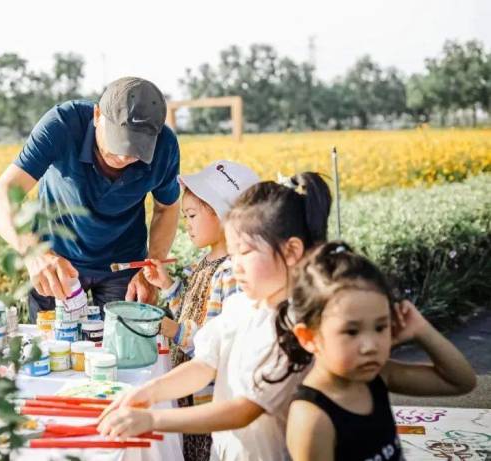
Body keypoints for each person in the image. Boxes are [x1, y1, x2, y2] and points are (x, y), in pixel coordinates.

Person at [99, 172, 332, 461]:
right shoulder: (243, 307)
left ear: (292, 251)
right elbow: (205, 364)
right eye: (233, 253)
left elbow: (243, 410)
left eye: (244, 252)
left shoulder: (295, 328)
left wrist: (154, 420)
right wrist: (146, 393)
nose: (236, 265)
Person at [0, 77, 180, 322]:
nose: (123, 156)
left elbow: (166, 209)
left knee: (121, 350)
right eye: (118, 141)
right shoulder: (62, 124)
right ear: (97, 115)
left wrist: (150, 265)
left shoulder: (166, 147)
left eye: (137, 148)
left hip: (123, 267)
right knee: (52, 349)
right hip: (55, 261)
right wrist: (33, 252)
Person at [268, 241, 477, 461]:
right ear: (309, 337)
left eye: (380, 327)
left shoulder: (378, 377)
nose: (370, 346)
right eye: (351, 331)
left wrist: (421, 329)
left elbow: (461, 381)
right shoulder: (311, 417)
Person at [143, 160, 259, 461]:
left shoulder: (232, 272)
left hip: (208, 398)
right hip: (191, 394)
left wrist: (175, 330)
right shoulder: (205, 262)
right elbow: (192, 312)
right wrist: (168, 286)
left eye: (192, 215)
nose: (186, 224)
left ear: (223, 216)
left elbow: (218, 344)